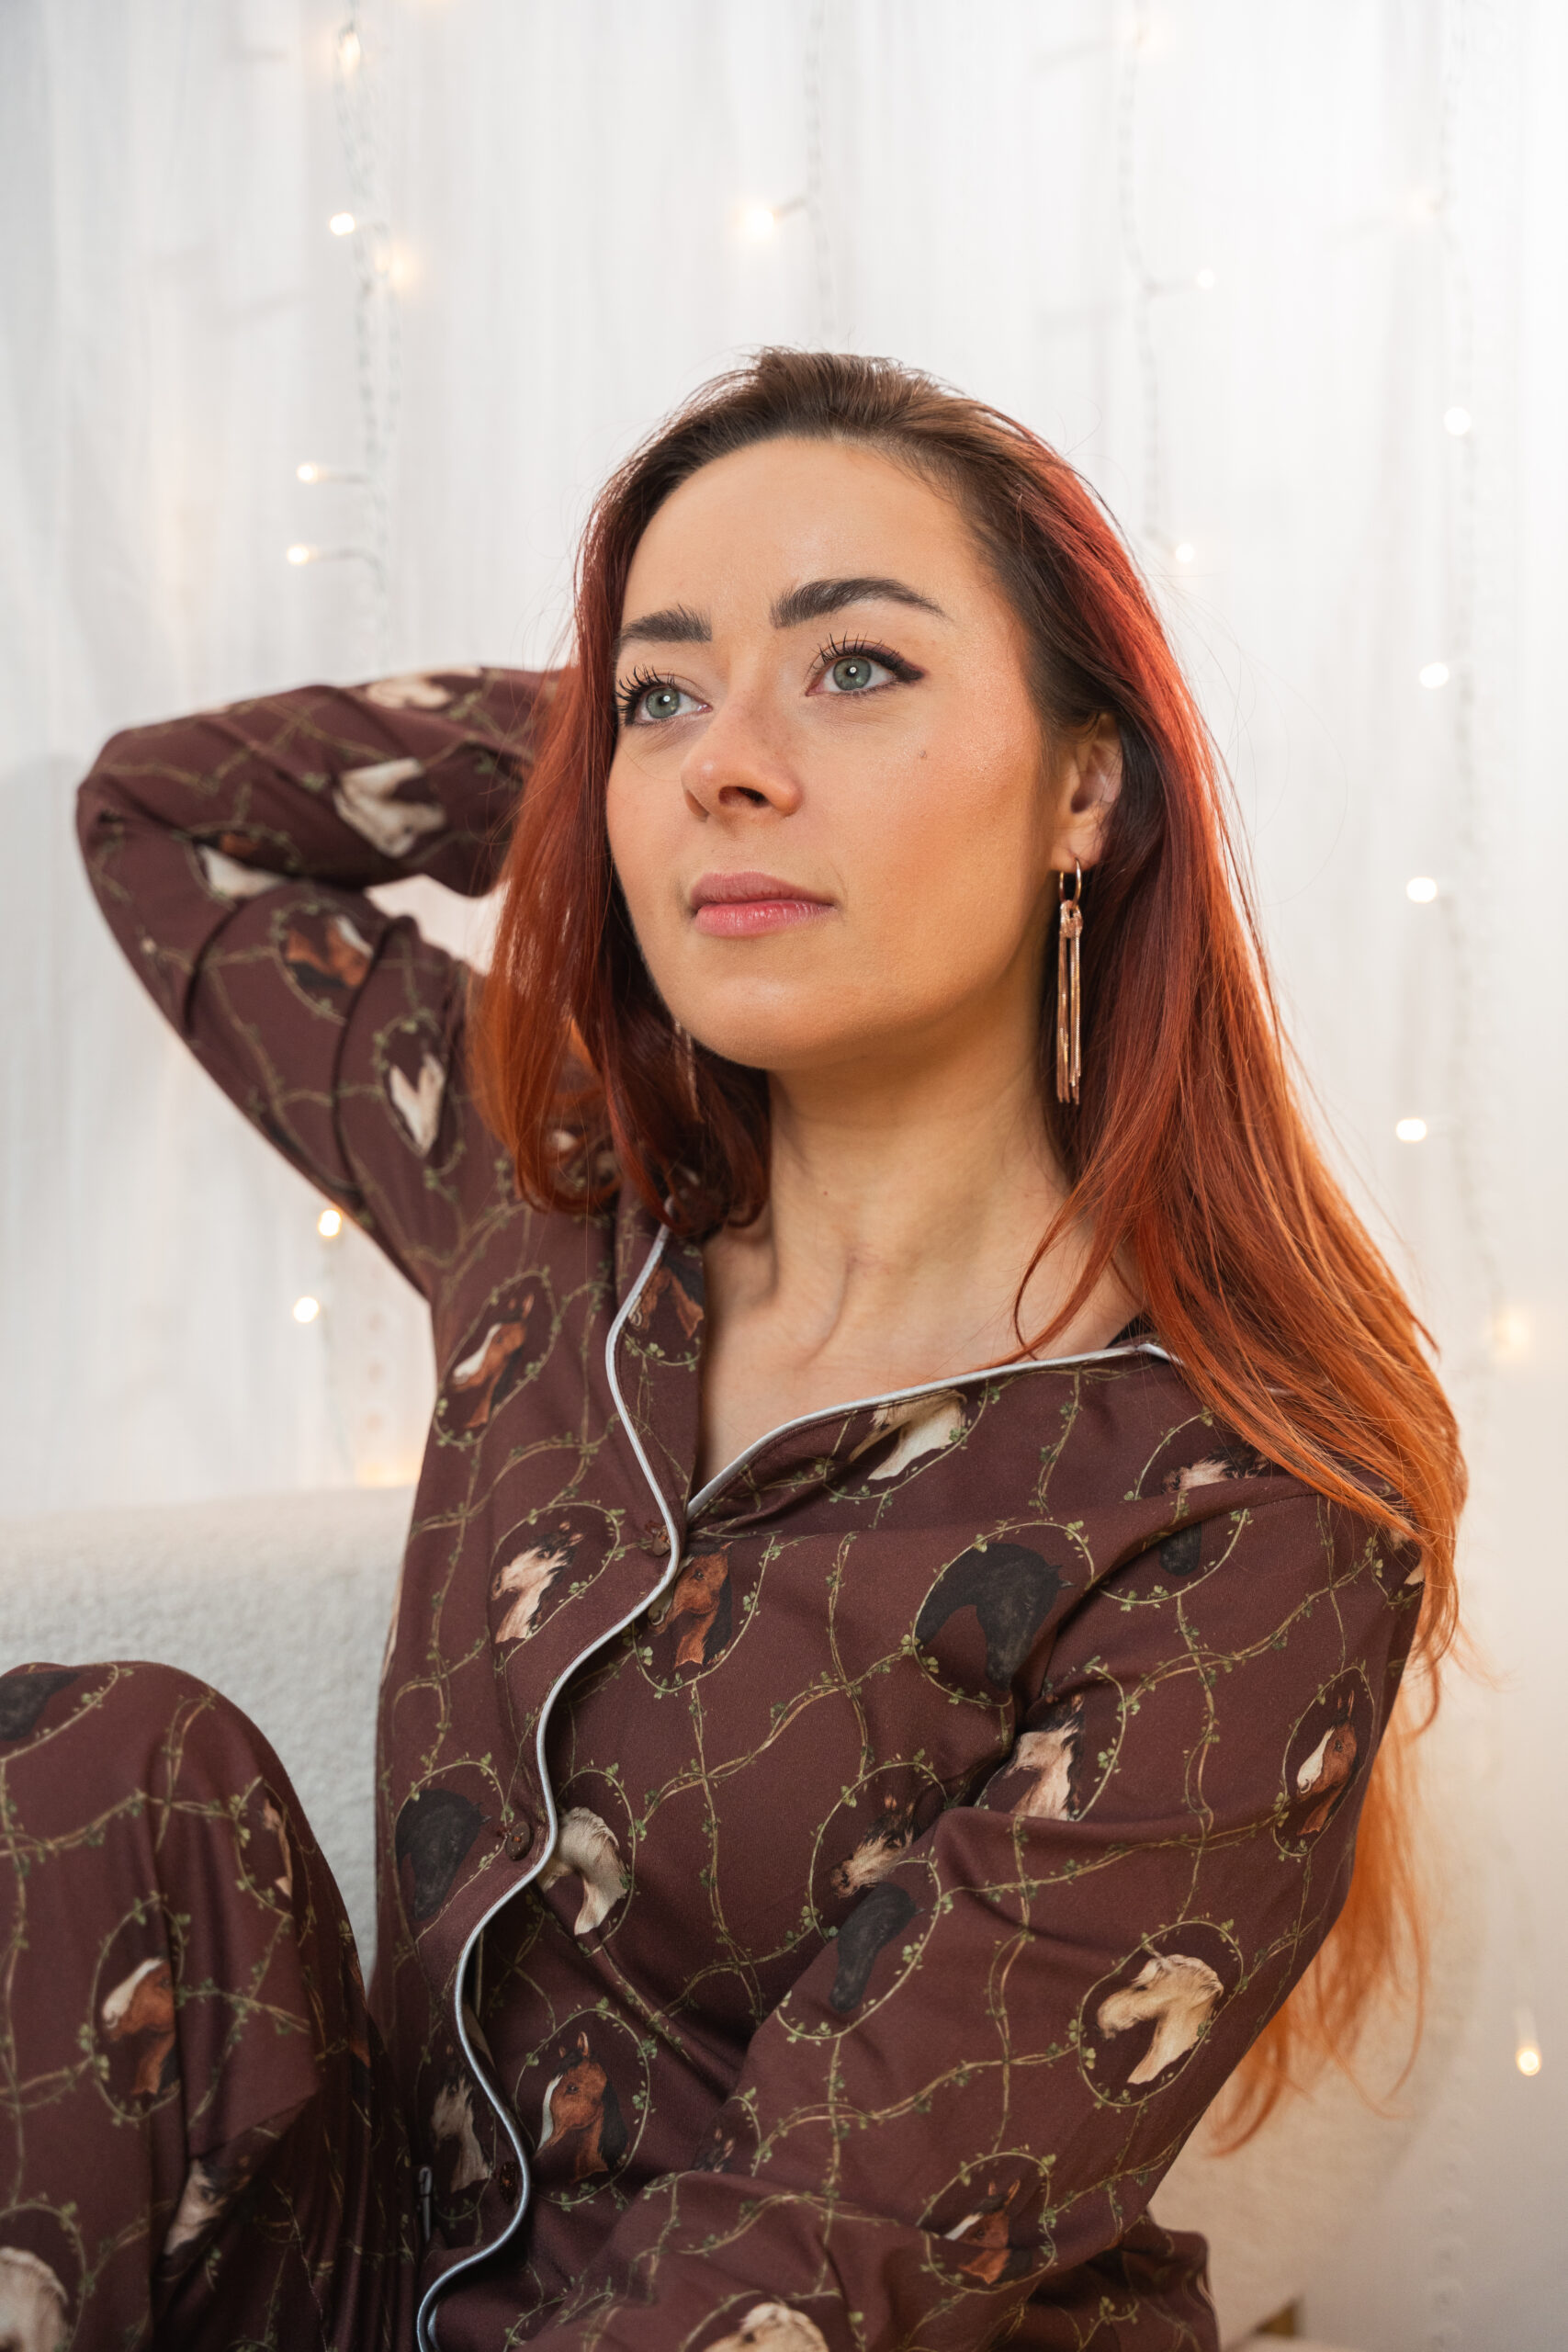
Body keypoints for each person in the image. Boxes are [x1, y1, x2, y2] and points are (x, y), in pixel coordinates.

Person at [6, 350, 1461, 2352]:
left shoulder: (1245, 1509)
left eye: (858, 667)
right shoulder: (550, 1213)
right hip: (391, 2291)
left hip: (802, 2323)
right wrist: (631, 753)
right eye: (663, 696)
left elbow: (816, 2257)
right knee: (103, 1771)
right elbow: (162, 818)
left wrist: (706, 719)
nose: (727, 766)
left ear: (1085, 786)